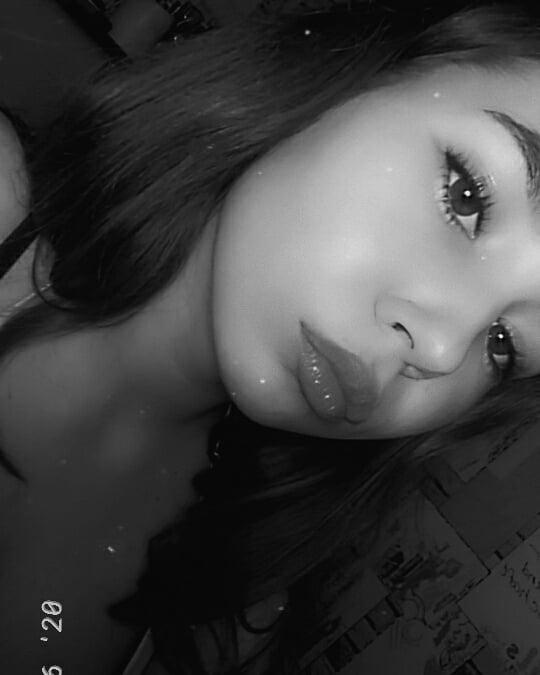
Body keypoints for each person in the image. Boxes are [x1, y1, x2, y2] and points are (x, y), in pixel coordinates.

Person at [3, 1, 540, 673]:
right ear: (351, 69)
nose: (441, 350)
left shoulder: (231, 614)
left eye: (503, 344)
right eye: (467, 196)